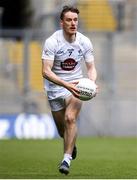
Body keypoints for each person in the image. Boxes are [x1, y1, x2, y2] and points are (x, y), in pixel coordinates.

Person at [41, 5, 98, 175]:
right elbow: (45, 71)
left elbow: (91, 68)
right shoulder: (52, 42)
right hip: (55, 89)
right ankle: (71, 145)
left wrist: (91, 83)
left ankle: (66, 160)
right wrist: (66, 85)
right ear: (61, 23)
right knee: (62, 131)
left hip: (77, 86)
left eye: (75, 20)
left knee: (70, 118)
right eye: (69, 20)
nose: (73, 23)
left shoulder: (84, 41)